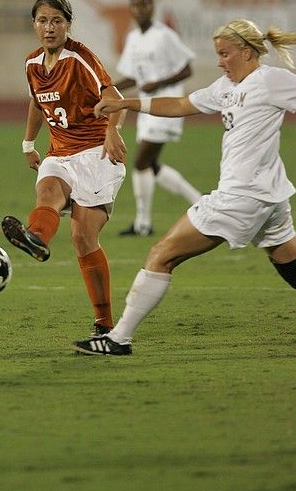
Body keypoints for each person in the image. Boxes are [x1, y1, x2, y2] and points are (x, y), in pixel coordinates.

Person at [73, 18, 296, 355]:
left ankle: (117, 339)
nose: (220, 61)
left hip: (241, 197)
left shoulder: (271, 80)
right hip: (270, 197)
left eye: (225, 54)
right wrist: (127, 104)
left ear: (248, 53)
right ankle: (117, 339)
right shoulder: (226, 87)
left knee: (160, 255)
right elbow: (181, 105)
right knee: (287, 258)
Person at [1, 0, 127, 335]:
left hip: (97, 155)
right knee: (47, 193)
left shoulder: (81, 58)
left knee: (83, 237)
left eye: (56, 21)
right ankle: (36, 239)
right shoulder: (32, 64)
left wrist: (113, 132)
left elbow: (114, 99)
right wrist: (28, 144)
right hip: (60, 154)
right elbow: (36, 103)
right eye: (42, 21)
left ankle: (104, 324)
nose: (49, 28)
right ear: (34, 25)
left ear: (68, 24)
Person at [115, 0, 201, 237]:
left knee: (141, 161)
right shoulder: (133, 38)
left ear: (153, 7)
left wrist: (159, 83)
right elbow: (133, 77)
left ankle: (143, 223)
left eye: (144, 4)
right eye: (135, 5)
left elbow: (187, 70)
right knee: (151, 164)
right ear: (130, 8)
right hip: (146, 107)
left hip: (168, 106)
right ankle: (200, 201)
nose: (140, 9)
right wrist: (107, 88)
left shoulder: (164, 35)